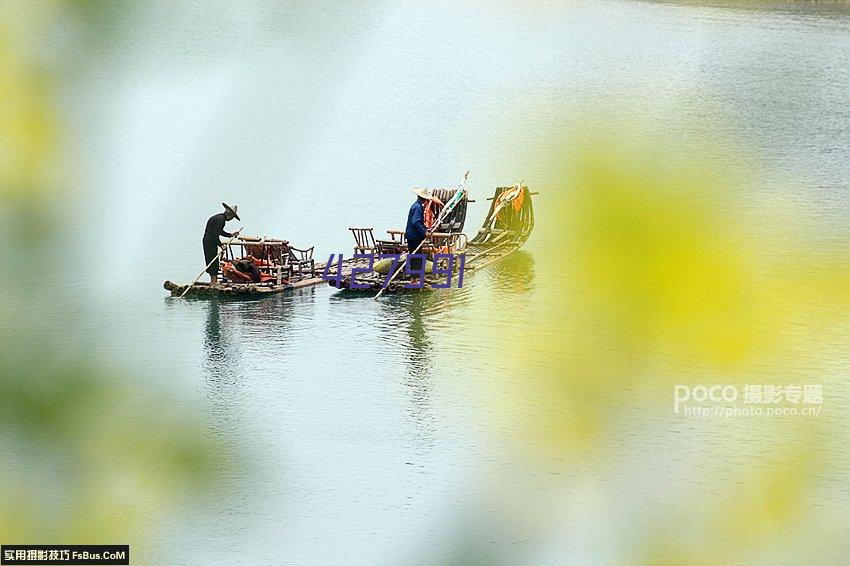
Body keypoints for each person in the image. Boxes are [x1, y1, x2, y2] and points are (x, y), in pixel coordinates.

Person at [203, 203, 241, 285]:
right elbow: (215, 234)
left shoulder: (218, 217)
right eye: (232, 217)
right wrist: (221, 245)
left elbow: (219, 232)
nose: (231, 219)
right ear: (229, 215)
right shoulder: (221, 220)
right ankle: (213, 282)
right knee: (213, 260)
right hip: (210, 240)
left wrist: (231, 235)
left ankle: (213, 281)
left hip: (208, 239)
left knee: (211, 259)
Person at [405, 188, 431, 284]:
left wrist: (425, 229)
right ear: (424, 199)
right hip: (413, 237)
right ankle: (414, 279)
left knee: (419, 256)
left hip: (415, 236)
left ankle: (420, 276)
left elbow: (419, 222)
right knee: (415, 257)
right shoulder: (417, 207)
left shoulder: (418, 206)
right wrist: (424, 233)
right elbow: (415, 222)